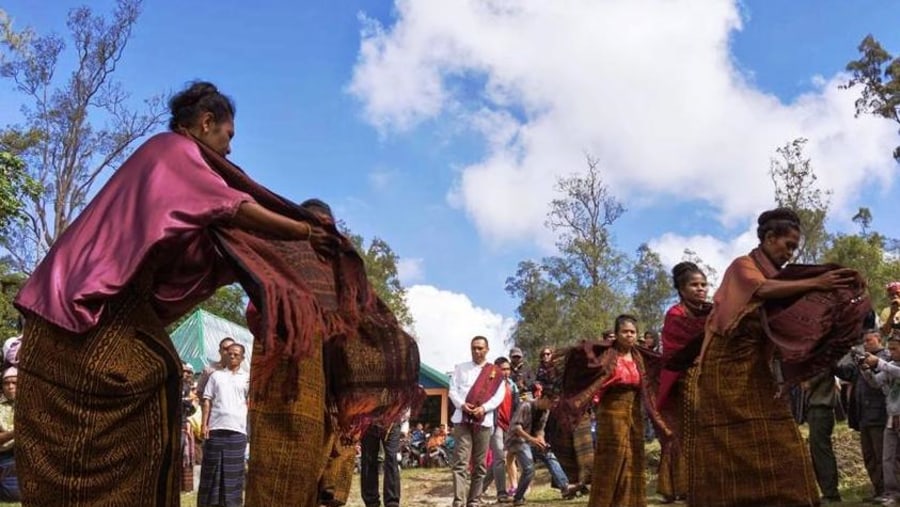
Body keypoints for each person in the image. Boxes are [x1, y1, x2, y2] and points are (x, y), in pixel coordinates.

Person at [12, 81, 337, 506]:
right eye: (228, 136)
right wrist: (303, 232)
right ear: (205, 124)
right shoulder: (171, 151)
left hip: (94, 310)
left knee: (155, 383)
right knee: (158, 369)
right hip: (81, 307)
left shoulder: (176, 182)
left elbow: (216, 249)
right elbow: (234, 207)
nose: (230, 151)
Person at [687, 207, 862, 507]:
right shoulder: (742, 267)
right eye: (788, 245)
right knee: (726, 443)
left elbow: (785, 331)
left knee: (782, 438)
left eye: (795, 247)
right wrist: (817, 283)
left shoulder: (784, 280)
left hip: (757, 369)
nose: (791, 253)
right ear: (769, 237)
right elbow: (762, 288)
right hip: (722, 369)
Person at [655, 261, 710, 504]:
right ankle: (687, 485)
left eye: (704, 284)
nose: (701, 289)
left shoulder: (713, 311)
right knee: (689, 432)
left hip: (713, 377)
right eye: (694, 285)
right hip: (686, 379)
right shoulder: (675, 315)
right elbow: (675, 353)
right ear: (681, 288)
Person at [448, 336, 507, 507]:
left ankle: (473, 500)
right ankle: (459, 502)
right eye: (474, 348)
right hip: (462, 419)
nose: (477, 351)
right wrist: (462, 404)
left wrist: (484, 408)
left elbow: (499, 396)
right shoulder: (460, 368)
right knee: (460, 462)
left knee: (480, 464)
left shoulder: (495, 372)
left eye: (480, 348)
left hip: (484, 421)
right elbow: (452, 390)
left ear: (487, 349)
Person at [835, 330, 890, 502]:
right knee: (869, 456)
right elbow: (846, 373)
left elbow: (877, 381)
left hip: (879, 414)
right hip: (863, 415)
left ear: (879, 339)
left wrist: (865, 363)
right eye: (864, 341)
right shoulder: (861, 359)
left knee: (881, 455)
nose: (866, 343)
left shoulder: (885, 357)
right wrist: (832, 358)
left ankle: (887, 491)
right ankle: (877, 489)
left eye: (869, 340)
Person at [507, 383, 580, 506]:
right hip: (517, 440)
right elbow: (516, 427)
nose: (554, 406)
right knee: (529, 469)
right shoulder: (526, 405)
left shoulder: (545, 411)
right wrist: (532, 439)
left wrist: (541, 440)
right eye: (552, 402)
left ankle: (565, 487)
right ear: (545, 398)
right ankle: (518, 497)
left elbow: (540, 429)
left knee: (549, 455)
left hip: (531, 440)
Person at [199, 343, 250, 507]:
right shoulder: (215, 376)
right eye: (230, 353)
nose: (232, 356)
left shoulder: (247, 378)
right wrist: (203, 425)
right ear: (225, 355)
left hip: (237, 431)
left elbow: (252, 403)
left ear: (242, 358)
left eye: (236, 354)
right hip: (215, 429)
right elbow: (207, 400)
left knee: (234, 474)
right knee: (211, 470)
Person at [863, 335, 900, 505]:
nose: (891, 352)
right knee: (887, 457)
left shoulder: (890, 367)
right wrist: (865, 369)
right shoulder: (890, 366)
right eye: (890, 348)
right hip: (892, 416)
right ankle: (891, 492)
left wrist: (878, 363)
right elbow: (876, 383)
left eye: (894, 349)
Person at [803, 372, 842, 503]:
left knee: (822, 452)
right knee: (818, 451)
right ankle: (828, 491)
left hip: (821, 409)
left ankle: (831, 493)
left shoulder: (822, 365)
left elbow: (806, 384)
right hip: (816, 410)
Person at [483, 356, 516, 503]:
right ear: (496, 370)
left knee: (498, 460)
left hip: (509, 426)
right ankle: (501, 493)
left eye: (508, 369)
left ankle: (478, 489)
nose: (506, 372)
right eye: (503, 369)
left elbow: (517, 406)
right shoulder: (489, 386)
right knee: (500, 458)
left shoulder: (512, 385)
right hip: (494, 425)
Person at [359, 421, 402, 507]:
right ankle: (371, 501)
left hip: (392, 420)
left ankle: (392, 502)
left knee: (392, 458)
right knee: (368, 459)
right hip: (369, 419)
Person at [0, 367, 19, 502]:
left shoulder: (31, 405)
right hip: (3, 454)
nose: (10, 386)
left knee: (13, 493)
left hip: (19, 455)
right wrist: (15, 432)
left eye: (14, 382)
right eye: (7, 383)